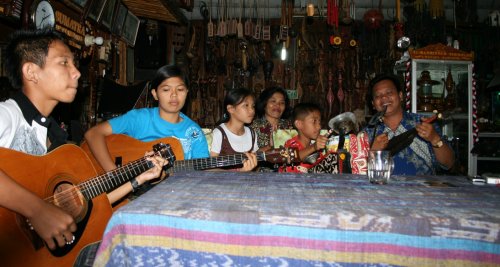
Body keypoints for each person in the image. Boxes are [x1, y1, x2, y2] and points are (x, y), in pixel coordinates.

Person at [0, 29, 165, 251]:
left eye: (74, 64)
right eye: (64, 63)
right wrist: (36, 209)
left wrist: (139, 179)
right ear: (31, 72)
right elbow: (40, 211)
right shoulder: (7, 114)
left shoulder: (54, 136)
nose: (77, 72)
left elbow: (86, 200)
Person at [84, 64, 209, 183]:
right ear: (155, 94)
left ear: (187, 92)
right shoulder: (140, 118)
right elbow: (93, 133)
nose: (174, 95)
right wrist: (116, 175)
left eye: (180, 89)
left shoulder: (194, 132)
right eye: (166, 89)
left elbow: (203, 171)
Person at [361, 73, 455, 175]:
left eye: (389, 92)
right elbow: (357, 173)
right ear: (373, 104)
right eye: (378, 95)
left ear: (400, 96)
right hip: (381, 189)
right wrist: (373, 151)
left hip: (423, 190)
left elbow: (448, 163)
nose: (384, 97)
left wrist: (434, 138)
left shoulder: (423, 123)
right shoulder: (366, 134)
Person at [210, 88, 258, 172]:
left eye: (253, 106)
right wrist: (240, 172)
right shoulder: (219, 133)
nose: (252, 110)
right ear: (230, 109)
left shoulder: (252, 134)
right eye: (246, 105)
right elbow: (211, 168)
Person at [280, 103, 330, 173]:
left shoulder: (317, 150)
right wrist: (314, 147)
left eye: (319, 122)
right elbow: (291, 157)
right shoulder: (290, 144)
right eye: (314, 121)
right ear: (299, 124)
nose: (319, 127)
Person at [251, 87, 292, 151]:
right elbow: (248, 156)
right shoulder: (253, 127)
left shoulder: (289, 125)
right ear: (264, 104)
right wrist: (269, 146)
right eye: (273, 101)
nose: (278, 105)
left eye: (282, 103)